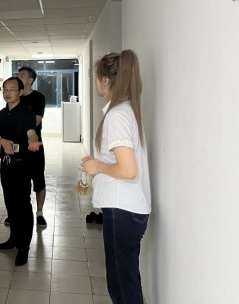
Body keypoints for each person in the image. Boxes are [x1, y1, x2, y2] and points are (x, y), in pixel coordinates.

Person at [81, 50, 151, 304]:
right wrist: (98, 162)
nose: (95, 82)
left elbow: (128, 170)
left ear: (106, 80)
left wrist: (97, 166)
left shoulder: (117, 115)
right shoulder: (125, 110)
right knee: (125, 280)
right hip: (127, 208)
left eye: (97, 76)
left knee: (121, 286)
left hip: (123, 210)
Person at [0, 77, 42, 266]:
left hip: (22, 164)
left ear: (20, 92)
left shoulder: (27, 113)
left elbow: (31, 133)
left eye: (12, 89)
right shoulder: (2, 113)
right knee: (10, 202)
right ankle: (13, 238)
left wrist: (33, 142)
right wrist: (2, 141)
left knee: (22, 204)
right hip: (6, 164)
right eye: (5, 89)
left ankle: (24, 246)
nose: (7, 93)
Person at [17, 66, 47, 228]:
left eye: (22, 75)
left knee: (38, 179)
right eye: (17, 75)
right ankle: (18, 212)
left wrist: (18, 124)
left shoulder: (38, 98)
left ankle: (39, 213)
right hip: (17, 146)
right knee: (19, 181)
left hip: (34, 144)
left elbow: (37, 120)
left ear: (30, 80)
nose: (18, 77)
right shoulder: (15, 97)